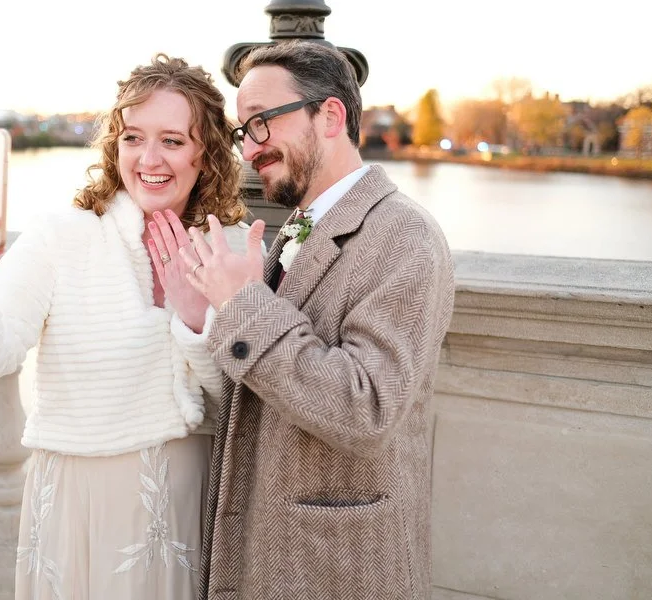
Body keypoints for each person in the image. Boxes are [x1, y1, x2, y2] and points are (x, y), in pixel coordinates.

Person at [0, 54, 263, 600]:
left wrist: (197, 320)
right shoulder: (61, 237)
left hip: (189, 503)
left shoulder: (235, 251)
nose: (149, 159)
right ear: (114, 146)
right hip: (79, 502)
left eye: (172, 140)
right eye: (133, 138)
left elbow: (247, 406)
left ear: (206, 154)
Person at [179, 41, 456, 599]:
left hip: (336, 567)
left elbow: (367, 407)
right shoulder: (299, 227)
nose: (249, 149)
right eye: (243, 131)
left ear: (329, 116)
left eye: (262, 123)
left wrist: (243, 307)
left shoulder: (406, 235)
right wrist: (206, 316)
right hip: (267, 551)